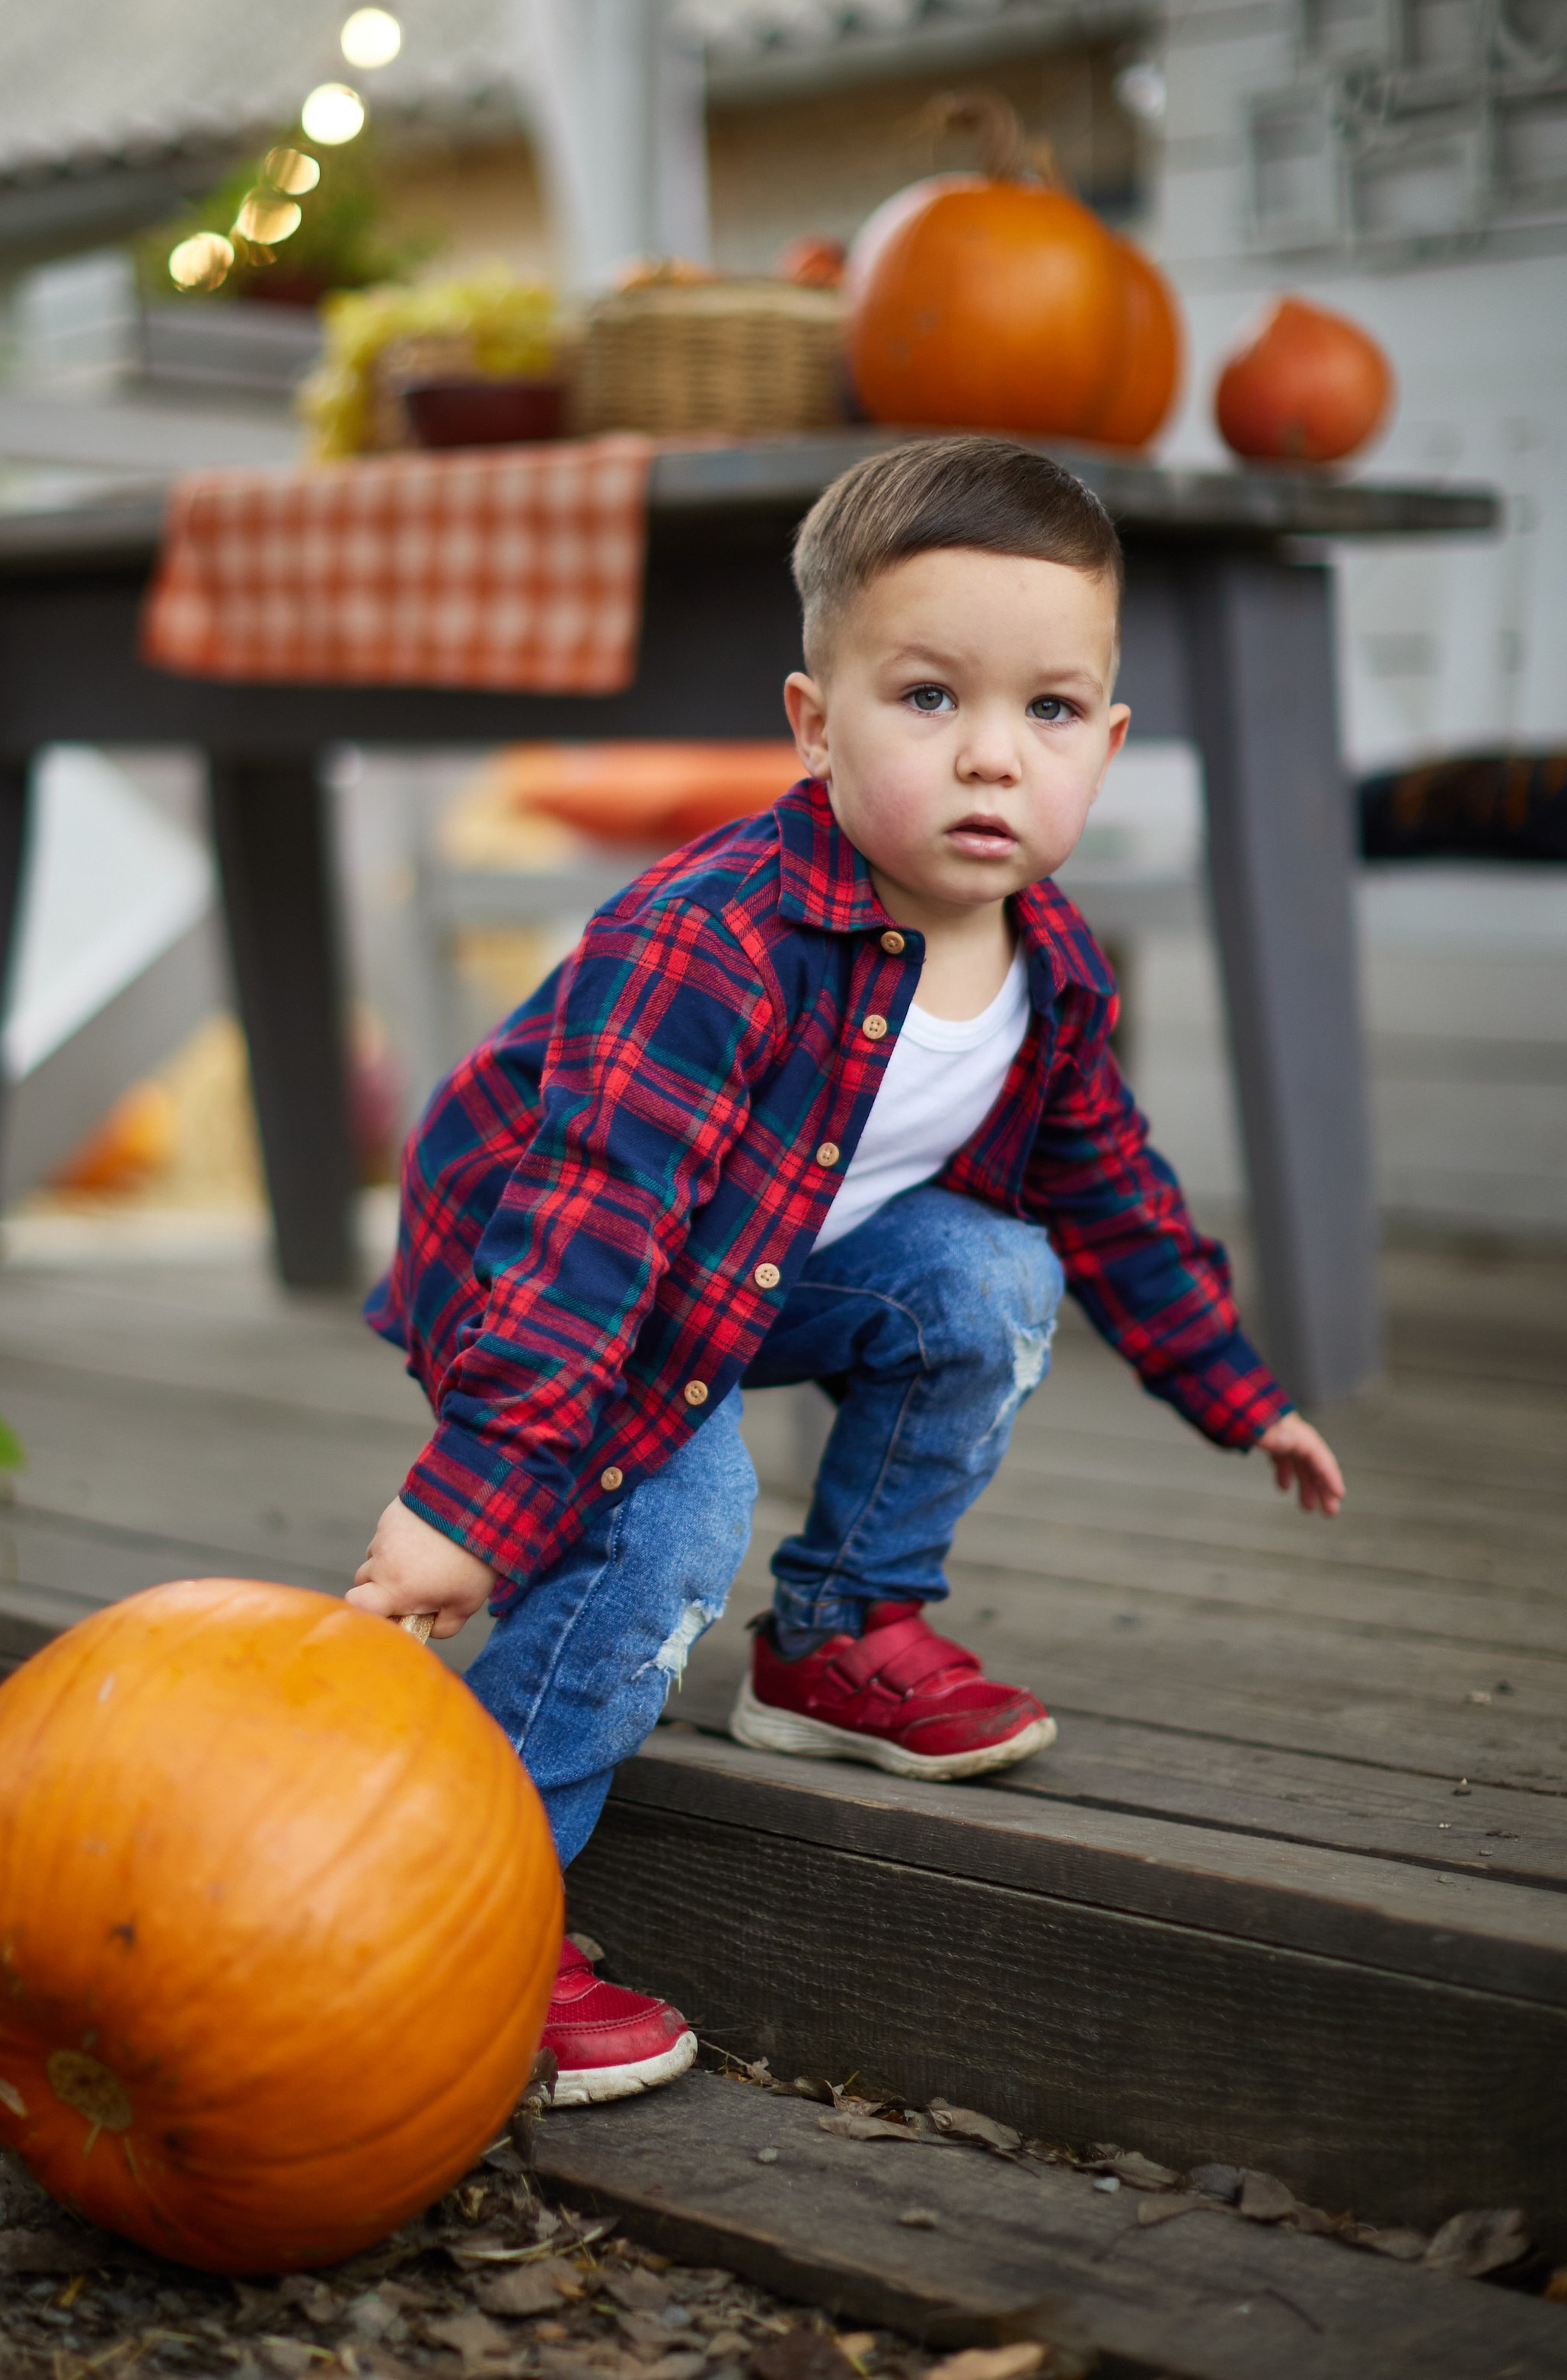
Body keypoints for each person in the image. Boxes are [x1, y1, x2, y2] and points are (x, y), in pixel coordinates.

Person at [346, 435, 1345, 2105]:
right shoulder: (709, 943)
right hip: (553, 1278)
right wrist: (473, 1501)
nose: (988, 763)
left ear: (1105, 743)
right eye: (929, 698)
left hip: (755, 1260)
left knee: (990, 1279)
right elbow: (590, 1231)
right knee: (666, 1522)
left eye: (1045, 714)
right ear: (816, 725)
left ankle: (837, 1642)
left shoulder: (1049, 962)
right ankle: (444, 1905)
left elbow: (1114, 1199)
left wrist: (1241, 1394)